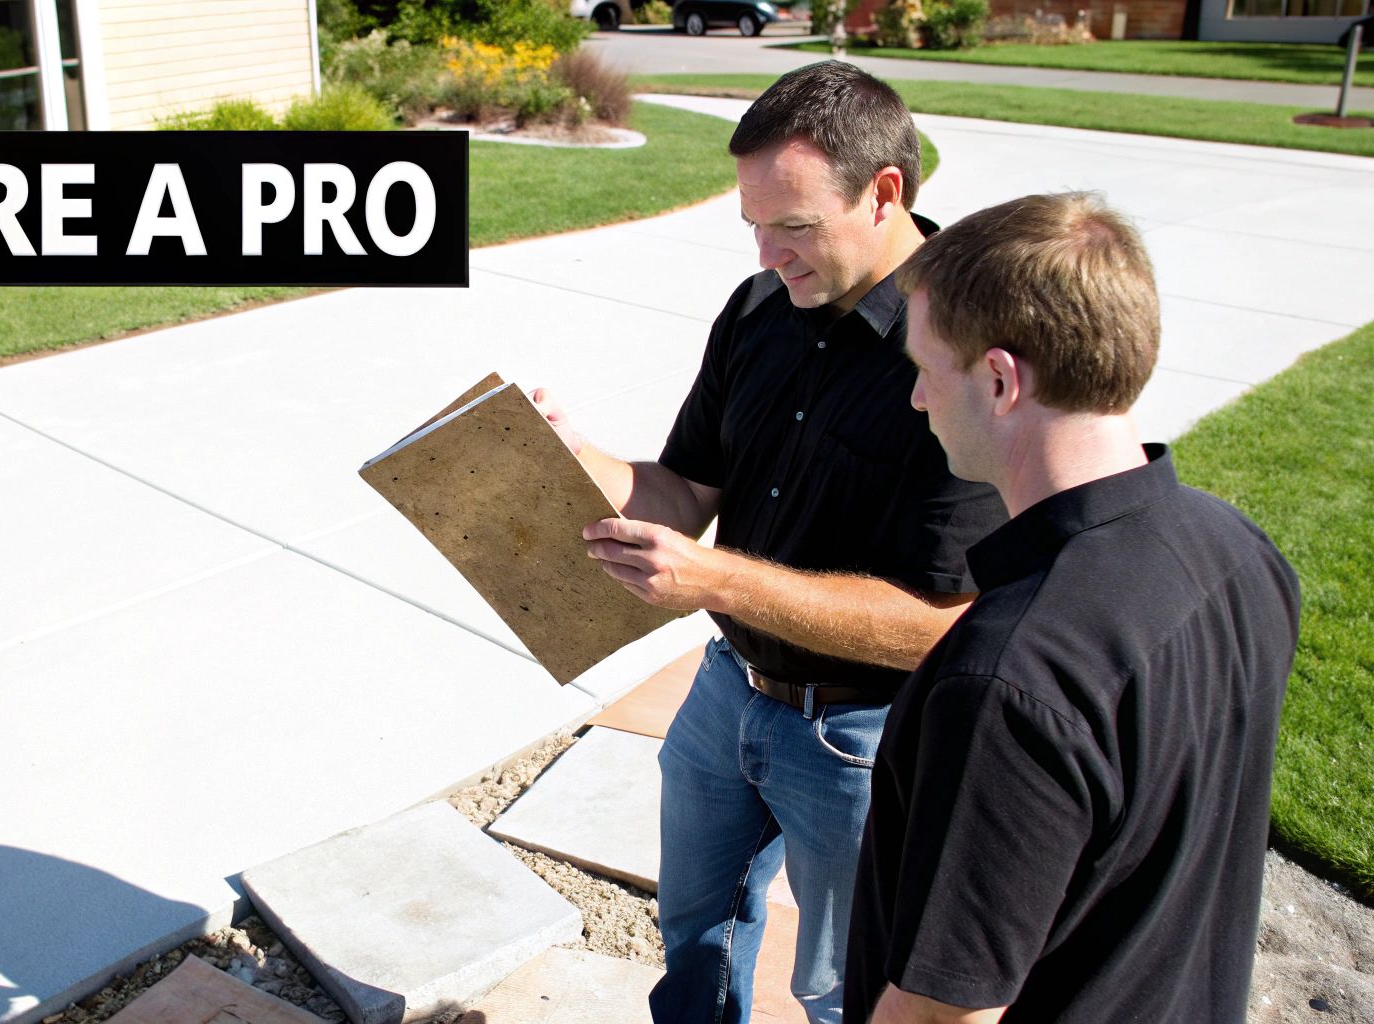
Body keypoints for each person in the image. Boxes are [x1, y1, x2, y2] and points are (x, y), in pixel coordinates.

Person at [530, 62, 1006, 1024]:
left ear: (885, 194)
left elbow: (939, 625)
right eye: (753, 222)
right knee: (695, 936)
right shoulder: (756, 313)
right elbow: (685, 489)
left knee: (845, 989)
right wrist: (575, 459)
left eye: (793, 226)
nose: (767, 252)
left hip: (862, 740)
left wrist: (715, 580)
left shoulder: (968, 351)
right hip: (727, 693)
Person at [845, 192, 1301, 1024]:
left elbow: (944, 1010)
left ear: (998, 379)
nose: (915, 400)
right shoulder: (1240, 552)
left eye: (922, 369)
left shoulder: (1009, 679)